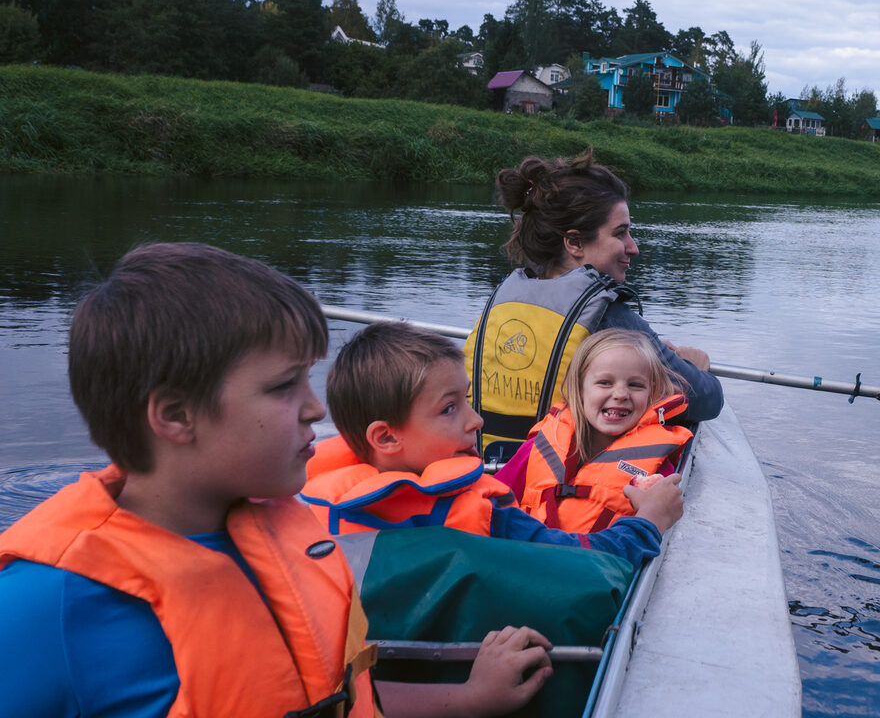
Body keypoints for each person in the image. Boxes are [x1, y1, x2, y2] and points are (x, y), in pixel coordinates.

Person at [0, 242, 551, 718]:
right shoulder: (45, 605)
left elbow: (338, 693)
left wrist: (468, 699)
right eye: (284, 387)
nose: (315, 409)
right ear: (174, 416)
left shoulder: (295, 534)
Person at [303, 320, 681, 564]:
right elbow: (587, 561)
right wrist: (650, 520)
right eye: (450, 408)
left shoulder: (315, 511)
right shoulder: (490, 517)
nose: (477, 419)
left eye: (467, 400)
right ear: (385, 436)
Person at [467, 148, 724, 466]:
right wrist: (694, 366)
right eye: (621, 233)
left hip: (492, 472)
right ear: (574, 243)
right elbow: (708, 400)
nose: (634, 247)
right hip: (559, 491)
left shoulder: (503, 303)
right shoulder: (608, 316)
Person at [504, 329, 692, 532]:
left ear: (652, 393)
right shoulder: (539, 448)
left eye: (635, 385)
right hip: (526, 556)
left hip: (599, 559)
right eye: (605, 382)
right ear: (580, 388)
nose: (620, 394)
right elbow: (494, 501)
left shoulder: (656, 469)